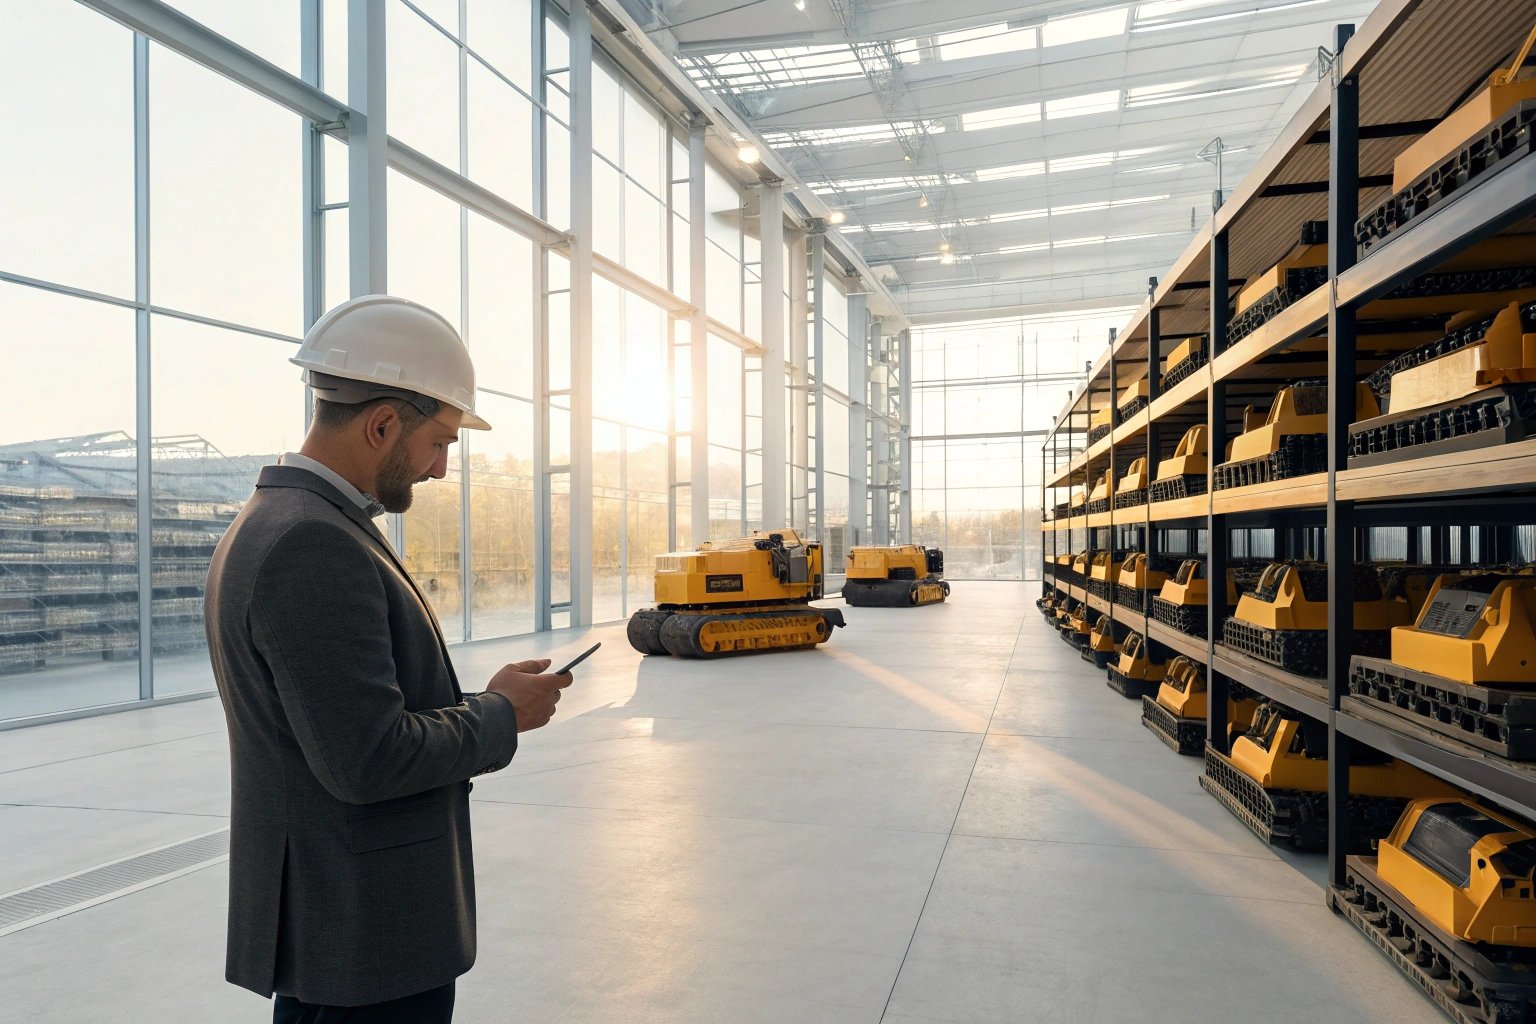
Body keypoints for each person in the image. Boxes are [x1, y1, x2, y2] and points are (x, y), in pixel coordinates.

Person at [204, 295, 572, 1023]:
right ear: (381, 424)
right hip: (363, 936)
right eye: (439, 443)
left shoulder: (283, 523)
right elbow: (367, 759)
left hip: (339, 929)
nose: (438, 470)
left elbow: (347, 720)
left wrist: (479, 699)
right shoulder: (312, 545)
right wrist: (500, 716)